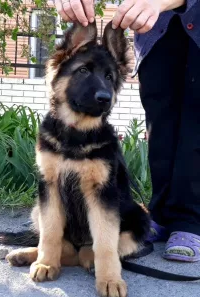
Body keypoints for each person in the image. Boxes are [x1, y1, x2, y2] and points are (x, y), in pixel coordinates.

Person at [54, 0, 200, 262]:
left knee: (196, 125)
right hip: (158, 31)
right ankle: (162, 214)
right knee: (160, 124)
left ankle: (191, 221)